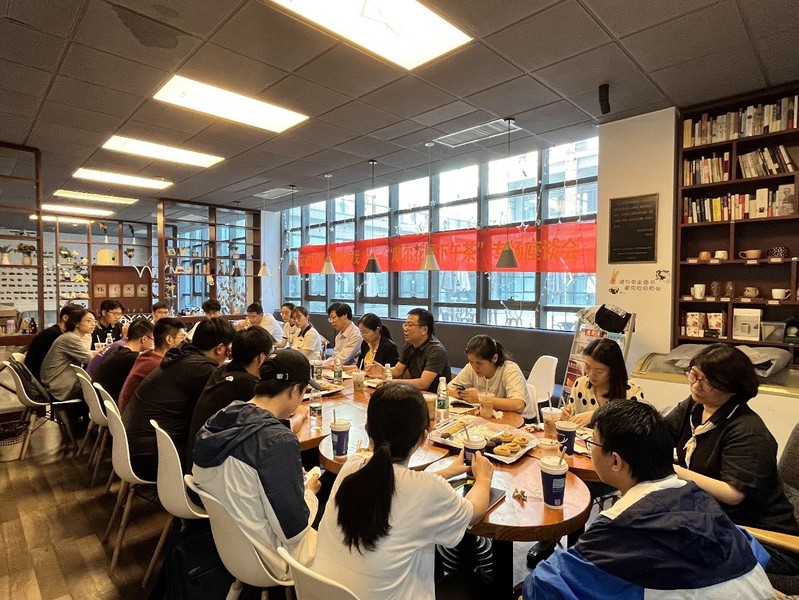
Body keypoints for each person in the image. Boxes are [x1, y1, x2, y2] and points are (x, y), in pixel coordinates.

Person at [523, 400, 773, 599]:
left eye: (592, 443)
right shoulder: (699, 498)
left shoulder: (619, 525)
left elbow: (546, 583)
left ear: (615, 461)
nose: (590, 449)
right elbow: (754, 553)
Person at [314, 384, 494, 600]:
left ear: (368, 429)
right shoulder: (426, 489)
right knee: (472, 583)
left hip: (322, 592)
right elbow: (474, 512)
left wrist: (447, 472)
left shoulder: (352, 467)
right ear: (423, 437)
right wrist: (484, 478)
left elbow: (395, 483)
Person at [665, 343, 799, 574]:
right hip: (715, 521)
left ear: (733, 387)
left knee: (670, 552)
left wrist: (674, 470)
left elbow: (733, 494)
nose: (696, 385)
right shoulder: (695, 407)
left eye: (708, 381)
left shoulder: (747, 431)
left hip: (765, 538)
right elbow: (660, 435)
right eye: (694, 375)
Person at [192, 350, 320, 582]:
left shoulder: (220, 419)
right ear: (294, 390)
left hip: (230, 547)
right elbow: (294, 531)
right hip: (272, 558)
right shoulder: (278, 441)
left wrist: (287, 476)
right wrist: (309, 491)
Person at [123, 317, 235, 480]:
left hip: (132, 449)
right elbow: (224, 408)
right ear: (220, 348)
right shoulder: (202, 369)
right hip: (151, 459)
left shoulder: (182, 356)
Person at [186, 326, 274, 463]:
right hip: (213, 465)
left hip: (196, 459)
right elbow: (275, 424)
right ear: (261, 358)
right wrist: (300, 415)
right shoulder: (248, 384)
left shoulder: (220, 371)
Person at [562, 338, 643, 427]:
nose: (591, 374)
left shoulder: (631, 391)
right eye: (587, 367)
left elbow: (637, 427)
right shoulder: (580, 384)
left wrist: (596, 415)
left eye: (599, 371)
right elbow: (572, 417)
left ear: (614, 370)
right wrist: (566, 415)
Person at [448, 335, 533, 420]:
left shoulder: (510, 370)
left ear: (494, 358)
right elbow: (446, 389)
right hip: (492, 417)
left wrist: (481, 398)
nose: (474, 367)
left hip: (522, 420)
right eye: (471, 362)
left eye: (479, 363)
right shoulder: (470, 368)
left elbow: (518, 405)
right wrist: (465, 395)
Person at [366, 308, 451, 393]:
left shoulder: (436, 351)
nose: (405, 328)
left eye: (410, 325)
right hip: (416, 393)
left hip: (435, 396)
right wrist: (383, 370)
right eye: (405, 324)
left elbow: (423, 383)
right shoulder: (410, 345)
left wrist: (392, 382)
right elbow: (398, 371)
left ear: (424, 330)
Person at [117, 317, 185, 412]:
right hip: (135, 416)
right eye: (182, 337)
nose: (185, 342)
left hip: (128, 412)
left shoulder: (147, 355)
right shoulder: (158, 365)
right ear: (169, 339)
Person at [40, 308, 96, 401]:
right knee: (104, 386)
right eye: (88, 321)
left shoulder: (69, 336)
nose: (93, 324)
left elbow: (87, 353)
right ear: (76, 323)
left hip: (59, 383)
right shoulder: (71, 338)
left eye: (94, 321)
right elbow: (91, 360)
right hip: (61, 388)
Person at [93, 319, 154, 402]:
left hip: (100, 401)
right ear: (144, 339)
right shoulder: (132, 358)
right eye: (153, 340)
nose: (152, 344)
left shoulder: (118, 351)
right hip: (111, 403)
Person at [24, 304, 84, 381]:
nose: (80, 324)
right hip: (39, 379)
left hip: (38, 375)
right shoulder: (56, 335)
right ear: (65, 318)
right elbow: (83, 358)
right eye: (78, 320)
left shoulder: (55, 331)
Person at [322, 302, 362, 367]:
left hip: (350, 370)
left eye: (333, 317)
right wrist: (322, 364)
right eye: (330, 319)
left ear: (345, 316)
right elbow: (334, 357)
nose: (331, 321)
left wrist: (324, 365)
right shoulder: (339, 336)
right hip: (338, 369)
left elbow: (342, 359)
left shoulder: (356, 334)